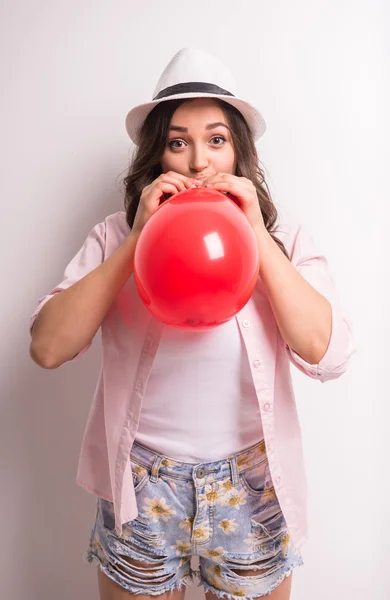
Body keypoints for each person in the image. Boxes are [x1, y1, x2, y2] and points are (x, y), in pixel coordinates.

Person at [29, 48, 355, 600]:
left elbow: (329, 353)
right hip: (142, 484)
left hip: (252, 483)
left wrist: (255, 234)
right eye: (178, 142)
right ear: (158, 156)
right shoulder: (115, 236)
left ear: (239, 153)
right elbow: (48, 348)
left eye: (217, 140)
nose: (198, 161)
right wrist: (138, 240)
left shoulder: (284, 238)